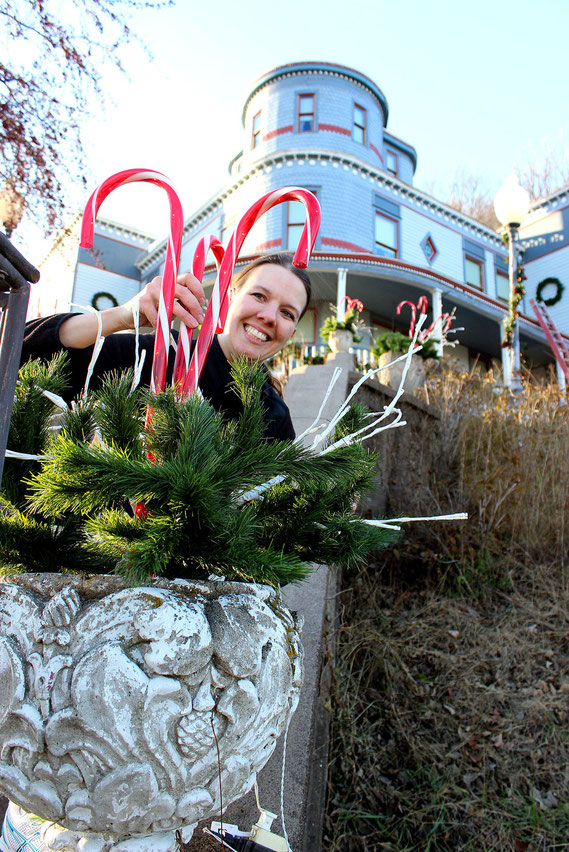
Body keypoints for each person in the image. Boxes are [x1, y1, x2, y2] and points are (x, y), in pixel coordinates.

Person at [21, 253, 311, 441]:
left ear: (293, 331)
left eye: (287, 313)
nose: (269, 317)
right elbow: (25, 354)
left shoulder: (275, 415)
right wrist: (124, 315)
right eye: (259, 296)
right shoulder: (166, 354)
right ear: (231, 296)